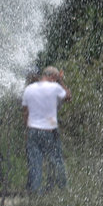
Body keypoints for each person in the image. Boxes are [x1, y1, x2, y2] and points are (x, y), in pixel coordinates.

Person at [21, 65, 71, 193]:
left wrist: (27, 131)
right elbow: (68, 96)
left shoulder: (29, 89)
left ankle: (35, 191)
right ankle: (63, 189)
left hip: (32, 130)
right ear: (53, 77)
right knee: (56, 159)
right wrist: (60, 81)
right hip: (49, 130)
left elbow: (25, 112)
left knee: (35, 163)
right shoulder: (54, 88)